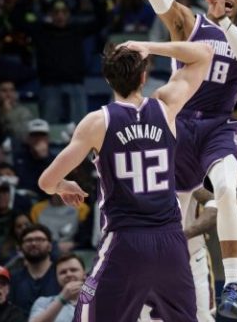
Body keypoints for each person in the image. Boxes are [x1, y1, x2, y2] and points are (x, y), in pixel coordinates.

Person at [112, 0, 237, 319]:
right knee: (168, 225)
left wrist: (226, 24)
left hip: (217, 126)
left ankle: (232, 286)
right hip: (178, 126)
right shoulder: (187, 24)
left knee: (227, 187)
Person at [38, 38, 214, 322]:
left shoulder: (97, 122)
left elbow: (46, 182)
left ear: (107, 79)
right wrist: (147, 46)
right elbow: (204, 52)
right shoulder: (166, 106)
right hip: (170, 239)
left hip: (125, 240)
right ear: (144, 77)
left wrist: (62, 186)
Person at [8, 225, 59, 316]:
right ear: (20, 247)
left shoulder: (61, 274)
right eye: (28, 240)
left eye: (39, 239)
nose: (34, 243)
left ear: (50, 246)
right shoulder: (13, 279)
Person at [29, 254, 86, 322]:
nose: (68, 274)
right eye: (63, 272)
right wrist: (62, 299)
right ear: (57, 278)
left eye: (73, 270)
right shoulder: (43, 302)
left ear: (84, 275)